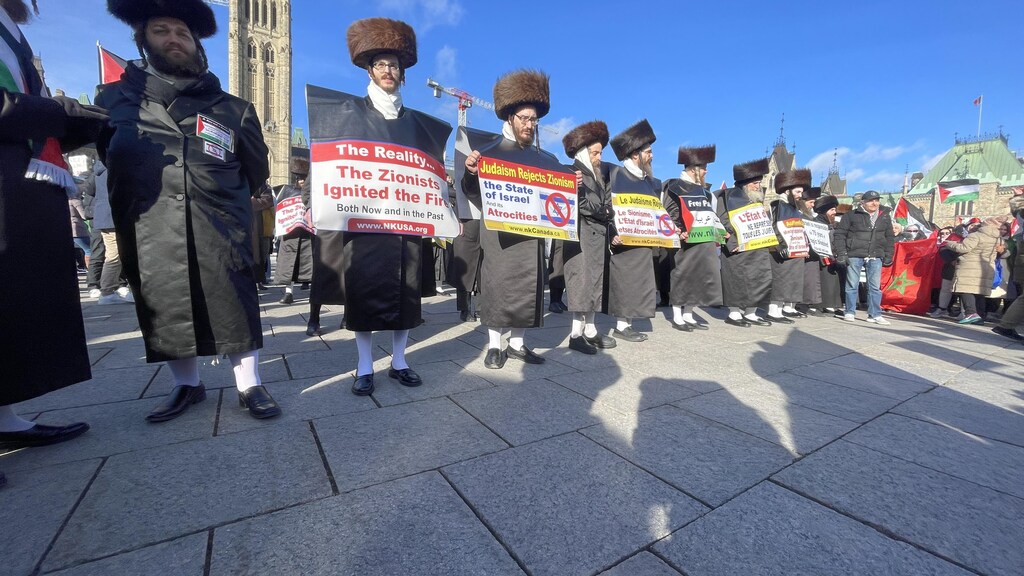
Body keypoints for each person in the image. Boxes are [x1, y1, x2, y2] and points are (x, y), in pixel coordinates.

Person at [97, 0, 280, 421]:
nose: (174, 39)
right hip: (151, 223)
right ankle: (186, 384)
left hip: (218, 221)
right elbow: (110, 154)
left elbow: (256, 168)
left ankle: (250, 383)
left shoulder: (234, 109)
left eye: (183, 32)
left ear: (197, 43)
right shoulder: (114, 99)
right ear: (142, 39)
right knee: (164, 301)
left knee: (233, 298)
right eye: (162, 30)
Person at [315, 17, 448, 394]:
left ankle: (400, 360)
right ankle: (363, 366)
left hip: (406, 225)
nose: (389, 71)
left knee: (405, 297)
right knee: (365, 296)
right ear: (369, 70)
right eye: (382, 65)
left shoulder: (418, 125)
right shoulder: (347, 114)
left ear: (402, 73)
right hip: (366, 225)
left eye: (394, 65)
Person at [1, 0, 107, 455]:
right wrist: (60, 112)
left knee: (14, 297)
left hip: (23, 176)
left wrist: (75, 121)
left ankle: (4, 415)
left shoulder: (11, 29)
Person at [463, 69, 552, 368]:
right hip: (499, 235)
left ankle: (518, 344)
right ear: (510, 119)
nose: (529, 124)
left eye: (533, 120)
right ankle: (493, 345)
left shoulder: (546, 159)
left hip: (531, 237)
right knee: (499, 285)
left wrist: (572, 183)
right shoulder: (488, 152)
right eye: (524, 118)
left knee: (528, 286)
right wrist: (471, 172)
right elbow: (471, 192)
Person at [560, 120, 617, 353]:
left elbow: (608, 204)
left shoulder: (600, 175)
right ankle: (575, 335)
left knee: (595, 283)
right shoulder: (569, 171)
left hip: (598, 236)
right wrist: (602, 211)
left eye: (600, 153)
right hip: (580, 235)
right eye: (595, 153)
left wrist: (606, 212)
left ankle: (591, 330)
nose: (598, 157)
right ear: (583, 152)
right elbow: (579, 204)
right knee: (580, 284)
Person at [604, 120, 659, 342]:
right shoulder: (614, 174)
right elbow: (606, 206)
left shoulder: (650, 182)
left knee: (639, 283)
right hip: (623, 243)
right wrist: (611, 232)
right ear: (635, 154)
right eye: (648, 152)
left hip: (643, 243)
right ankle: (621, 325)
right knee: (625, 282)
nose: (652, 156)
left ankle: (630, 323)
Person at [662, 144, 724, 330]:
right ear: (695, 169)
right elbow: (669, 211)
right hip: (685, 240)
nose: (706, 171)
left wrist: (720, 232)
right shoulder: (674, 186)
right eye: (704, 168)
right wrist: (678, 229)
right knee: (682, 275)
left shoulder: (704, 191)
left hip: (703, 240)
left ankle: (688, 313)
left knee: (698, 277)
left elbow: (710, 214)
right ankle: (677, 315)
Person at [716, 158, 774, 327]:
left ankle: (751, 313)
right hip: (737, 246)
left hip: (758, 247)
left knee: (759, 278)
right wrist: (732, 239)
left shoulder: (756, 199)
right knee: (736, 279)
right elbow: (722, 220)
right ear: (746, 183)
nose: (758, 186)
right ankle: (734, 314)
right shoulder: (727, 196)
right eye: (756, 183)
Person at [833, 190, 896, 324]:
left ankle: (875, 314)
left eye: (877, 200)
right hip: (855, 253)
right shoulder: (851, 215)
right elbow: (840, 234)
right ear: (863, 202)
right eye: (871, 200)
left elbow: (889, 237)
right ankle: (849, 311)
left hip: (875, 254)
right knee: (852, 284)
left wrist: (889, 255)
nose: (874, 203)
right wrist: (842, 253)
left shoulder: (884, 216)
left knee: (874, 287)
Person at [767, 168, 812, 323]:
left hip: (795, 252)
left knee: (791, 281)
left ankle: (783, 309)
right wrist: (781, 247)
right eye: (798, 192)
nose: (800, 195)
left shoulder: (795, 208)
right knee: (781, 280)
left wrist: (804, 247)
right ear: (787, 191)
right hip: (782, 252)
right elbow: (773, 226)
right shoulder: (777, 204)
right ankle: (774, 311)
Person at [944, 218, 1003, 324]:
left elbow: (963, 248)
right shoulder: (997, 238)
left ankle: (970, 313)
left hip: (969, 267)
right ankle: (980, 317)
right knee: (979, 293)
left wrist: (949, 244)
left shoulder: (976, 236)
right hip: (986, 267)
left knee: (965, 289)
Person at [91, 159, 133, 304]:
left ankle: (108, 291)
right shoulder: (116, 166)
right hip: (114, 215)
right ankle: (108, 291)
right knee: (118, 256)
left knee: (113, 255)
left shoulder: (100, 169)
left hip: (104, 216)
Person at [274, 156, 314, 308]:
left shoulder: (313, 193)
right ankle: (288, 292)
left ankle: (310, 288)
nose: (302, 181)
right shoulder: (287, 191)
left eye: (304, 178)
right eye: (299, 178)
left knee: (308, 263)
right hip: (290, 234)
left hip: (308, 234)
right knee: (288, 265)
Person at [812, 194, 844, 314]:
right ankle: (825, 304)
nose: (834, 212)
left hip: (832, 256)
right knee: (825, 280)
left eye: (835, 209)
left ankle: (833, 304)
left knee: (833, 280)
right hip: (821, 257)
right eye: (832, 210)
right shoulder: (816, 223)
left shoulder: (831, 224)